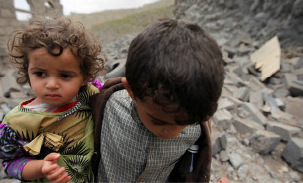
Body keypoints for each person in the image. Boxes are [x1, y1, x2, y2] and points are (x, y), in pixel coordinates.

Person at [91, 18, 224, 182]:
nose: (172, 134)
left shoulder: (197, 127)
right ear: (131, 90)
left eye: (184, 124)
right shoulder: (107, 107)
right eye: (159, 121)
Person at [0, 17, 106, 183]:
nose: (52, 84)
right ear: (27, 72)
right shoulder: (16, 123)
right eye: (40, 74)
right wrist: (41, 168)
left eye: (65, 75)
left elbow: (114, 93)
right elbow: (10, 163)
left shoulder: (88, 92)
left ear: (84, 77)